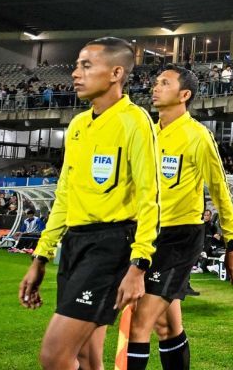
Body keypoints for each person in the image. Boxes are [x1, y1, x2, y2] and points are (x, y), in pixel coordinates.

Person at [19, 38, 161, 370]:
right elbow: (65, 195)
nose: (75, 73)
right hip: (74, 245)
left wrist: (139, 266)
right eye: (76, 65)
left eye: (86, 65)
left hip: (110, 246)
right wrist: (41, 256)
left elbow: (149, 196)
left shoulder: (135, 121)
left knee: (54, 356)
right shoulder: (79, 125)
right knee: (86, 356)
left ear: (115, 72)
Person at [126, 64, 233, 370]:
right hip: (148, 235)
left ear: (184, 95)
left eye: (164, 83)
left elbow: (220, 190)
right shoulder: (148, 133)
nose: (155, 87)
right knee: (167, 327)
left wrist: (232, 244)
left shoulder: (198, 137)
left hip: (181, 238)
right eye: (156, 82)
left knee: (139, 323)